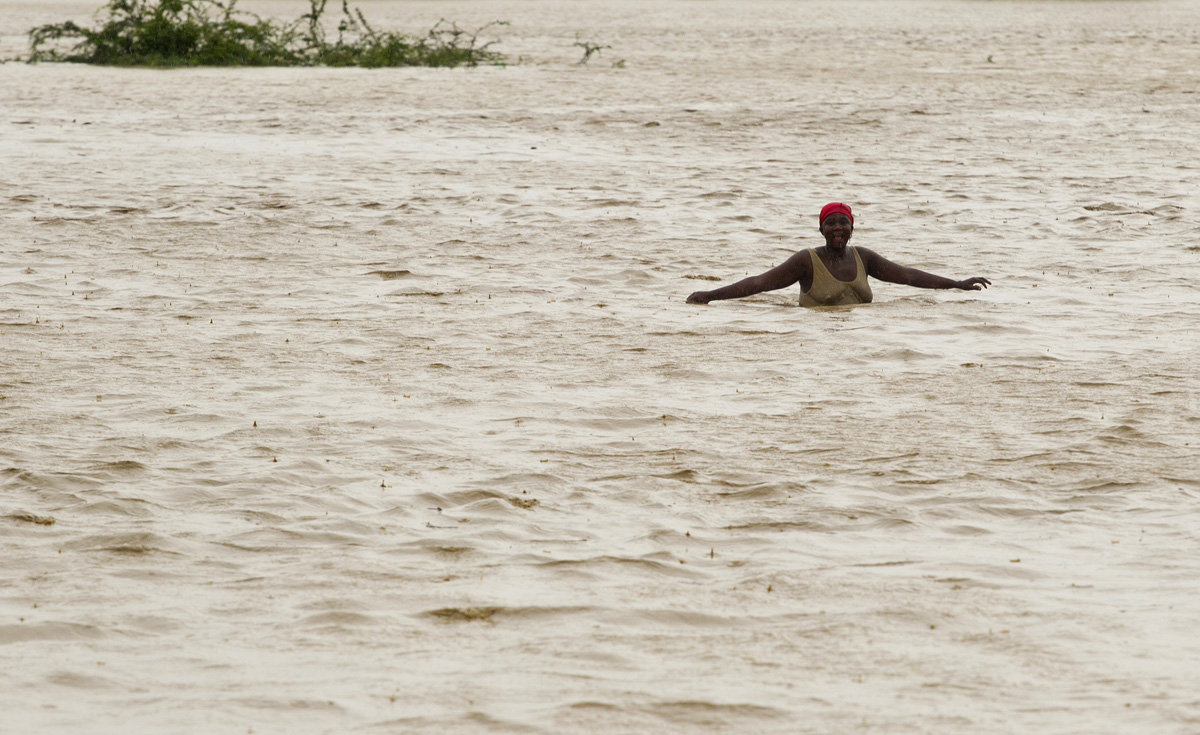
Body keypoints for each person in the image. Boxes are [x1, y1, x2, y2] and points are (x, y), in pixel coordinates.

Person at [686, 203, 991, 307]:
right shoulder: (806, 262)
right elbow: (760, 283)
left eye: (843, 222)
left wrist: (957, 284)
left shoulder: (864, 258)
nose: (837, 228)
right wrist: (710, 295)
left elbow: (909, 276)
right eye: (830, 223)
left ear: (851, 228)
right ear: (821, 229)